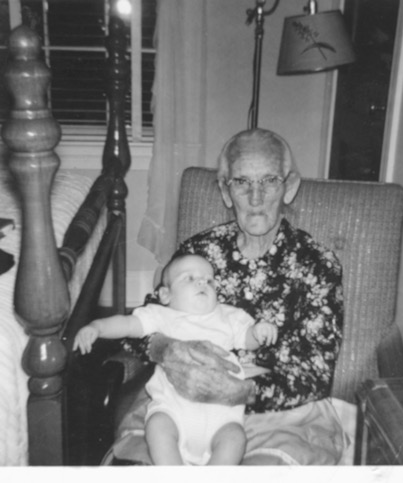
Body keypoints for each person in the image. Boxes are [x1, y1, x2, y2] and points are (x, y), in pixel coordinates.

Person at [116, 127, 346, 465]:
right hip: (182, 405)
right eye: (241, 182)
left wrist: (241, 392)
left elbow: (316, 374)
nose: (256, 198)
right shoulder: (199, 252)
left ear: (290, 187)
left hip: (280, 416)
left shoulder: (317, 263)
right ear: (226, 191)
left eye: (269, 181)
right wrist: (166, 348)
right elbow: (140, 326)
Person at [74, 253, 278, 466]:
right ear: (165, 295)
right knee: (157, 426)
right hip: (173, 410)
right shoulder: (161, 315)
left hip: (221, 416)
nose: (202, 283)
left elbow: (247, 339)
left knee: (235, 439)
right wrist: (97, 327)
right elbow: (128, 324)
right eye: (190, 278)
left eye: (209, 280)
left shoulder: (229, 316)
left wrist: (258, 332)